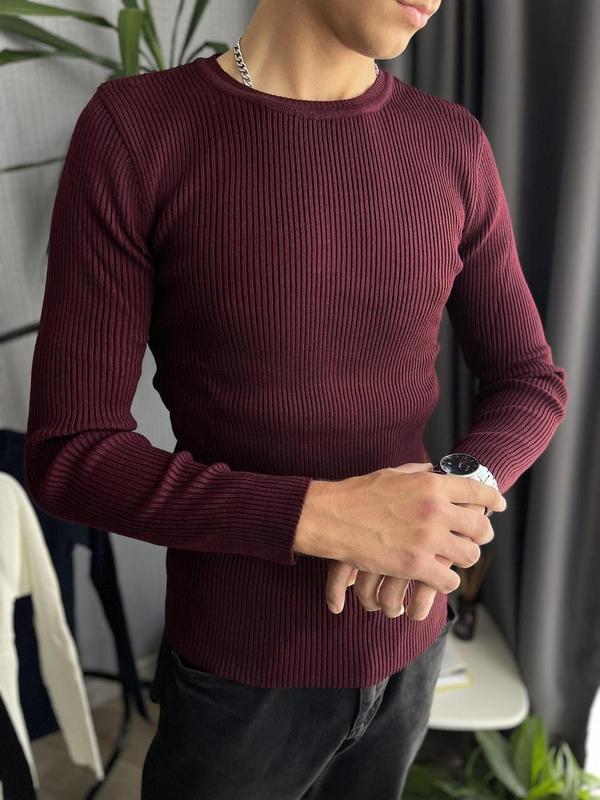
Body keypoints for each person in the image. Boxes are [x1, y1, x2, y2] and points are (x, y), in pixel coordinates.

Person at [24, 0, 569, 797]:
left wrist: (452, 494)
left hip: (410, 651)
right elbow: (73, 454)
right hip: (239, 683)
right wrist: (324, 517)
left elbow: (530, 380)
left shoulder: (451, 142)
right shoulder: (138, 131)